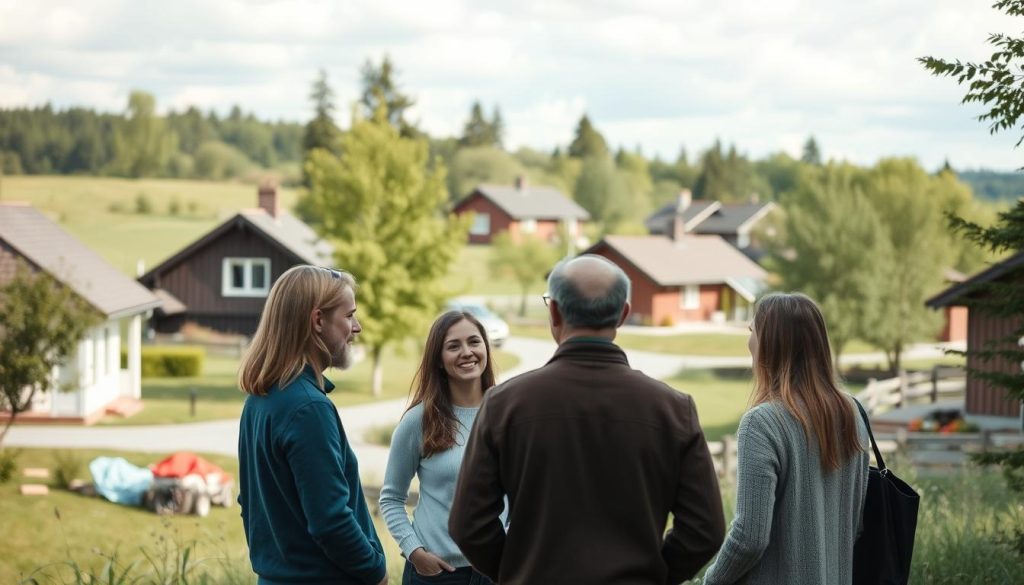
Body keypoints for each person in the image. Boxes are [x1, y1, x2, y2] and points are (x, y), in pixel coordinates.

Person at [449, 255, 726, 585]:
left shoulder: (504, 405)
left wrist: (518, 571)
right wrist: (655, 575)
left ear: (554, 312)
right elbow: (705, 530)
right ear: (623, 314)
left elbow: (468, 525)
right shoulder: (673, 409)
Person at [702, 293, 869, 585]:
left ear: (769, 343)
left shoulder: (761, 423)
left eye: (752, 331)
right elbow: (854, 524)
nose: (749, 340)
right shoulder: (853, 413)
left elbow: (749, 536)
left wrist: (711, 580)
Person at [237, 265, 387, 585]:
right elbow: (331, 521)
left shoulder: (261, 399)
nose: (357, 327)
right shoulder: (308, 408)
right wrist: (377, 573)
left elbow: (248, 505)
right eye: (349, 316)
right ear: (318, 320)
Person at [380, 310, 502, 585]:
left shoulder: (507, 412)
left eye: (474, 342)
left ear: (485, 346)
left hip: (498, 571)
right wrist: (415, 552)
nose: (467, 352)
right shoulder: (419, 420)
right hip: (437, 575)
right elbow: (391, 498)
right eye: (453, 346)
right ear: (438, 359)